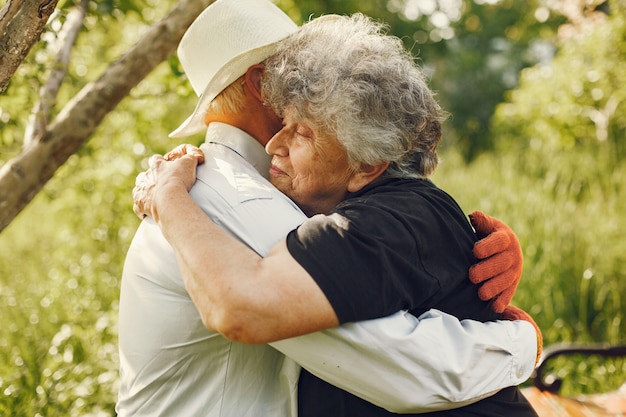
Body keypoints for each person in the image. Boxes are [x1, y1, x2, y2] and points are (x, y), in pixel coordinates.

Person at [122, 1, 540, 416]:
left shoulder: (271, 188)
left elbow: (392, 237)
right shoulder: (235, 194)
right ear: (261, 80)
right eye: (301, 66)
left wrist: (463, 256)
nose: (316, 73)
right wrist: (522, 340)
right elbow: (412, 370)